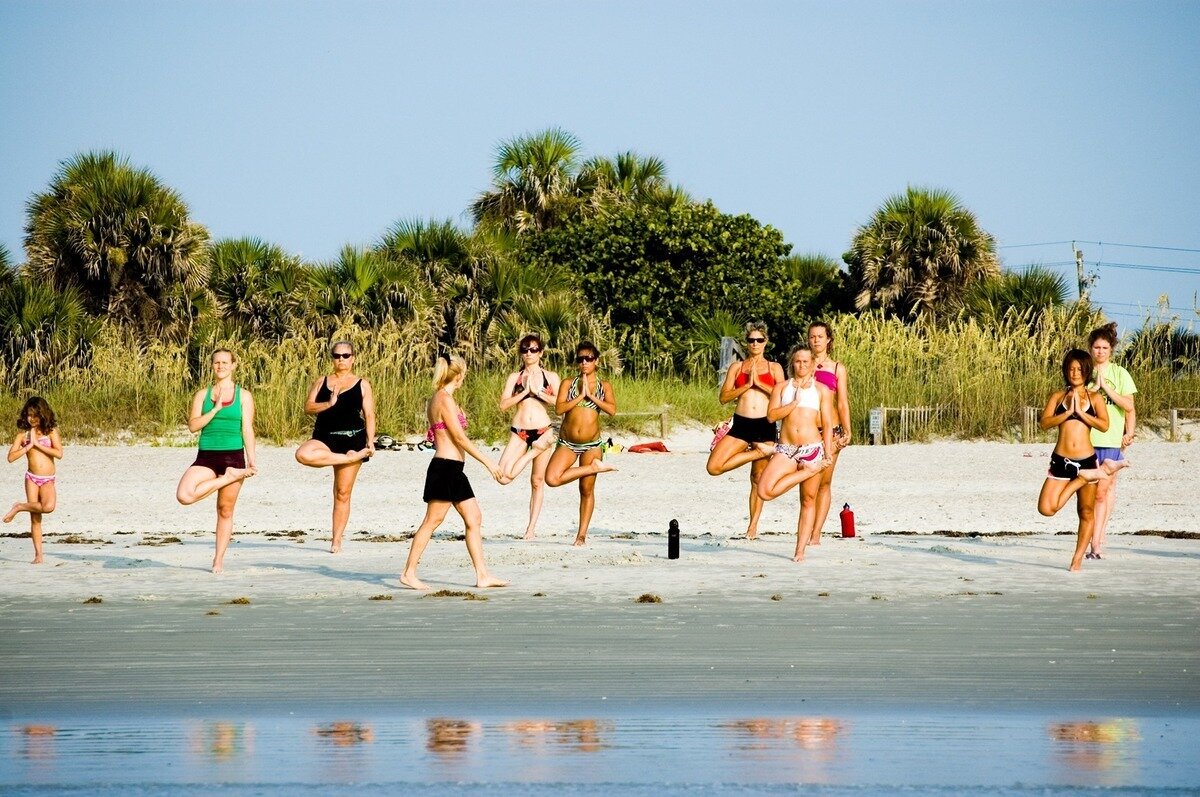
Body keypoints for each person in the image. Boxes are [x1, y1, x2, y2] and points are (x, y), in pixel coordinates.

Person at [400, 354, 508, 590]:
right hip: (445, 468)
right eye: (463, 375)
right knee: (432, 521)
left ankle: (482, 575)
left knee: (474, 518)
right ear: (458, 375)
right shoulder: (443, 399)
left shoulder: (442, 398)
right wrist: (489, 462)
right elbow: (458, 437)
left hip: (453, 469)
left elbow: (441, 433)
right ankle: (409, 572)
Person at [1036, 349, 1127, 572]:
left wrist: (1081, 413)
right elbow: (1045, 423)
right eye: (1071, 369)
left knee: (1086, 512)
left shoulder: (1094, 398)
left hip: (1086, 459)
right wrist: (1067, 413)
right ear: (1066, 371)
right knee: (1046, 509)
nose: (1075, 372)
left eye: (1079, 369)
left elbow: (1104, 425)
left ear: (1087, 371)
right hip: (1061, 461)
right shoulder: (1058, 396)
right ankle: (1081, 479)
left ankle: (1077, 560)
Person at [176, 349, 257, 574]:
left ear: (233, 366)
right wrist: (216, 409)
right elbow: (193, 426)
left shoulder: (245, 396)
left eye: (224, 362)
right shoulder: (203, 395)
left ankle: (218, 560)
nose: (220, 366)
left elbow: (247, 428)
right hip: (206, 456)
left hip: (233, 455)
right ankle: (227, 478)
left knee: (224, 510)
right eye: (216, 363)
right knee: (184, 495)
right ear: (212, 366)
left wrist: (251, 460)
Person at [705, 322, 786, 539]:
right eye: (751, 340)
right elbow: (724, 397)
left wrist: (759, 383)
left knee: (757, 478)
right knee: (713, 467)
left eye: (760, 340)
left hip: (764, 425)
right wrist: (746, 386)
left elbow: (784, 396)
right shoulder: (737, 367)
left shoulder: (774, 367)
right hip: (741, 424)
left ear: (766, 342)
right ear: (746, 343)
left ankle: (752, 526)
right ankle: (759, 452)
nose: (755, 344)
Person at [754, 345, 835, 562]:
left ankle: (800, 550)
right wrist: (793, 404)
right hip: (786, 449)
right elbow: (771, 416)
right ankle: (806, 472)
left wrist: (828, 453)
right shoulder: (782, 388)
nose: (801, 365)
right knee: (764, 490)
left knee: (808, 500)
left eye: (806, 362)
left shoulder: (821, 391)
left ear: (813, 364)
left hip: (812, 449)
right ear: (793, 363)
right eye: (798, 361)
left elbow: (827, 425)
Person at [295, 341, 376, 553]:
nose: (341, 359)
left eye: (346, 355)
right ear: (332, 358)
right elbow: (308, 407)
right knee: (302, 454)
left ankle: (336, 540)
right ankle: (349, 458)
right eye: (337, 355)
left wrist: (370, 441)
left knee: (342, 492)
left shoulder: (362, 383)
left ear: (353, 358)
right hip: (325, 438)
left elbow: (369, 414)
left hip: (352, 439)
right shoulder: (321, 381)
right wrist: (329, 404)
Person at [545, 341, 618, 546]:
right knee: (551, 478)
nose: (584, 362)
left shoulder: (605, 386)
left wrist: (592, 396)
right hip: (567, 442)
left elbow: (612, 411)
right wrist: (580, 396)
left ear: (596, 361)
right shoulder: (569, 383)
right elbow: (559, 409)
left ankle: (581, 535)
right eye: (580, 359)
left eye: (589, 358)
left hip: (592, 444)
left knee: (586, 490)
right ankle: (592, 468)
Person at [497, 334, 561, 539]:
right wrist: (524, 392)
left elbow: (560, 404)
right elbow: (503, 405)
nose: (529, 353)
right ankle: (533, 452)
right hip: (520, 431)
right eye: (525, 350)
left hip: (542, 430)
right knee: (504, 477)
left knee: (537, 480)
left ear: (541, 352)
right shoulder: (514, 377)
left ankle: (531, 528)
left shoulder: (550, 377)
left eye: (533, 349)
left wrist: (539, 392)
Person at [1086, 322, 1136, 560]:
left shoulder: (1120, 373)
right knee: (1090, 493)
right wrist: (1095, 388)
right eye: (1096, 347)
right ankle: (1093, 536)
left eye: (1105, 348)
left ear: (1111, 350)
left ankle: (1096, 543)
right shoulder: (1084, 372)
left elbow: (1128, 406)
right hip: (1086, 441)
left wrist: (1129, 432)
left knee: (1102, 492)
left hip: (1110, 440)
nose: (1100, 352)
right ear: (1090, 348)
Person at [4, 397, 64, 564]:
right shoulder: (23, 435)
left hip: (47, 479)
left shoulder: (51, 431)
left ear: (43, 414)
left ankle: (19, 507)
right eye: (29, 415)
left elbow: (59, 454)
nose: (32, 419)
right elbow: (10, 457)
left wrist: (37, 444)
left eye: (35, 415)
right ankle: (38, 555)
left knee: (49, 507)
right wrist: (28, 446)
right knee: (35, 518)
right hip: (31, 478)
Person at [807, 321, 851, 546]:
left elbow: (842, 402)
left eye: (820, 336)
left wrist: (848, 429)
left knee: (824, 481)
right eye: (812, 336)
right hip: (807, 430)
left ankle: (816, 533)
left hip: (831, 430)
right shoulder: (802, 364)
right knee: (808, 484)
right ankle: (806, 529)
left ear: (828, 340)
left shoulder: (836, 368)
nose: (816, 340)